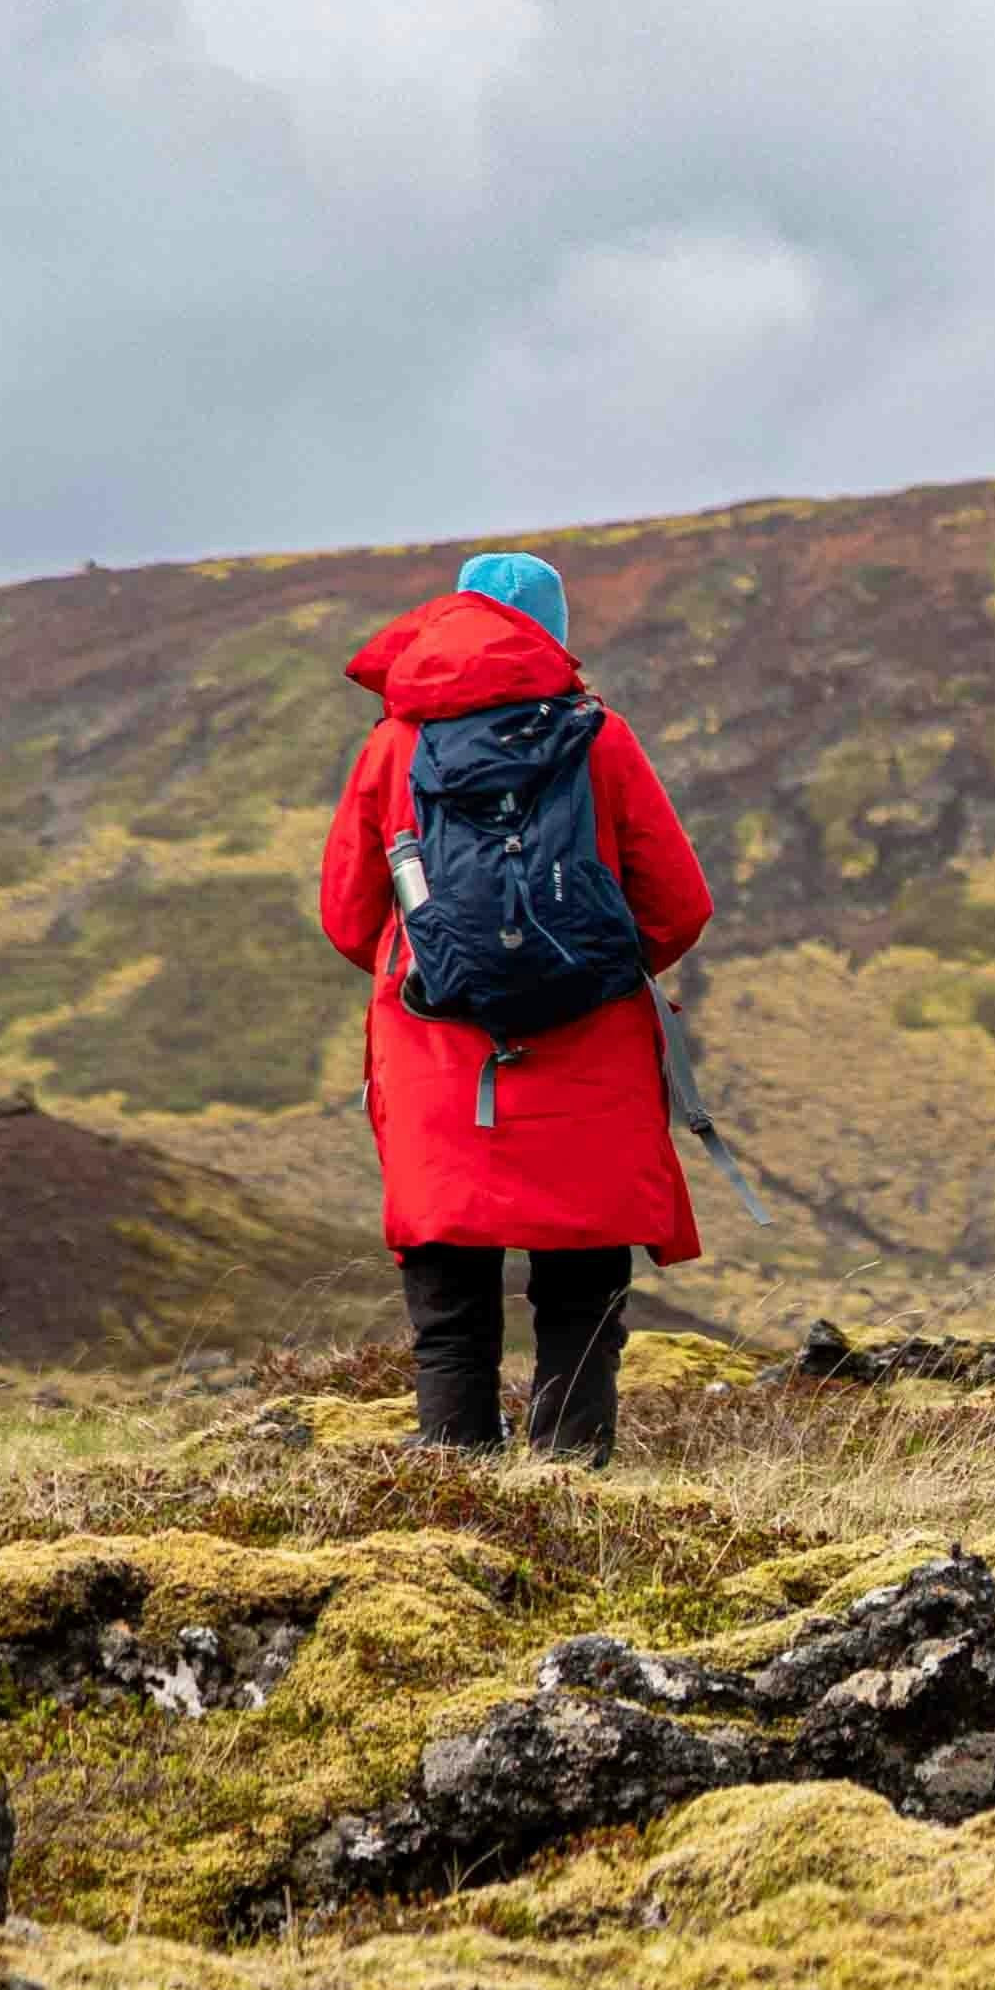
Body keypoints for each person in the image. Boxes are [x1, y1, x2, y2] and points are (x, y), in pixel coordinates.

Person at [310, 550, 715, 1461]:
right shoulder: (597, 735)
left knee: (451, 1301)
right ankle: (570, 1489)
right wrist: (591, 973)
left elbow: (346, 917)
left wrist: (445, 973)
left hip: (437, 1055)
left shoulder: (391, 746)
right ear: (553, 634)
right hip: (590, 1054)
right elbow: (681, 904)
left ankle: (451, 1490)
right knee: (579, 1293)